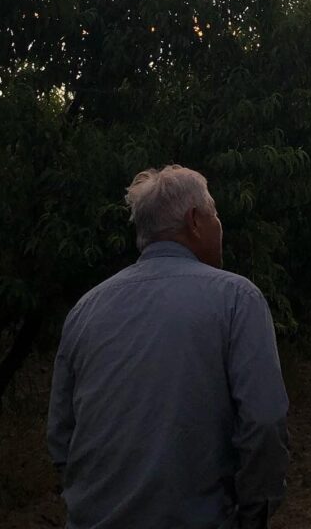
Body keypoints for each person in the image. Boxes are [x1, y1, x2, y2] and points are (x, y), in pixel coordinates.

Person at [47, 165, 290, 529]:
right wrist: (254, 513)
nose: (219, 225)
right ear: (195, 220)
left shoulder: (86, 308)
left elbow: (61, 437)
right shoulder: (237, 298)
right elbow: (264, 423)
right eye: (215, 214)